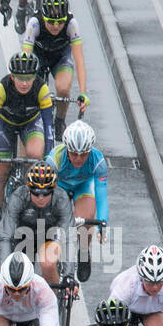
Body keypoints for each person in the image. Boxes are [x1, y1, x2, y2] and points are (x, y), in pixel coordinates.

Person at [0, 51, 54, 246]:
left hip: (30, 124)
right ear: (12, 76)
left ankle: (28, 200)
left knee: (34, 156)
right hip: (5, 125)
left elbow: (49, 126)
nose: (24, 83)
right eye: (20, 79)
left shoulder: (41, 88)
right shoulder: (2, 87)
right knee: (0, 172)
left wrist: (49, 155)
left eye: (29, 78)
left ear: (35, 76)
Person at [21, 0, 88, 141]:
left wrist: (83, 93)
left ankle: (59, 120)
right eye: (51, 22)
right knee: (31, 87)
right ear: (44, 17)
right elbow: (26, 57)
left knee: (63, 88)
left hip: (60, 57)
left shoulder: (72, 24)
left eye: (60, 22)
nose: (56, 26)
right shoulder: (34, 22)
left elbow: (79, 60)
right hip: (38, 57)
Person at [49, 119, 108, 281]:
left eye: (84, 154)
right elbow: (45, 190)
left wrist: (102, 224)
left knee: (86, 220)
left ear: (90, 150)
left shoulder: (98, 160)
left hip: (84, 186)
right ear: (67, 149)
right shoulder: (55, 158)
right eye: (74, 153)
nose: (79, 159)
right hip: (59, 185)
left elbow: (102, 197)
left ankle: (83, 251)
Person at [0, 160, 70, 285]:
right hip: (24, 238)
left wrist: (69, 275)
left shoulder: (61, 198)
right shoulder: (18, 197)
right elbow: (6, 236)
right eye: (36, 193)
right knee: (19, 275)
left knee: (48, 263)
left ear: (53, 190)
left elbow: (69, 236)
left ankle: (51, 301)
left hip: (49, 237)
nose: (41, 198)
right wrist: (4, 270)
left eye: (46, 193)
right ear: (29, 189)